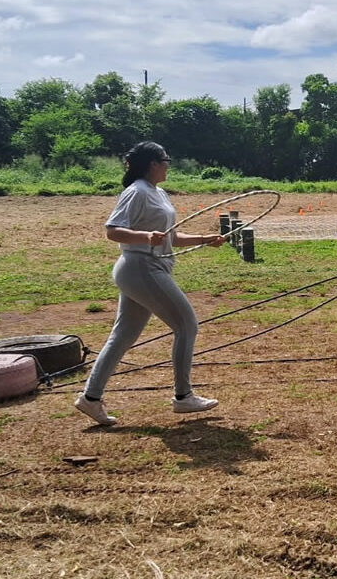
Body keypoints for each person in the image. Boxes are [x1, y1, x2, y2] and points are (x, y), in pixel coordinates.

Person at [74, 141, 227, 427]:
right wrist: (145, 237)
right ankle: (184, 396)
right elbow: (112, 231)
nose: (169, 165)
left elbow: (171, 237)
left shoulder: (159, 193)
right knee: (186, 325)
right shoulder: (136, 192)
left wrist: (206, 240)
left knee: (123, 336)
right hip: (141, 267)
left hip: (147, 267)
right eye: (165, 160)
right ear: (153, 164)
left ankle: (90, 398)